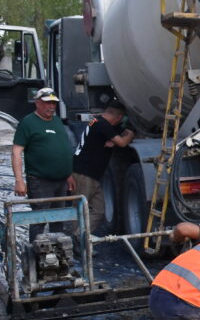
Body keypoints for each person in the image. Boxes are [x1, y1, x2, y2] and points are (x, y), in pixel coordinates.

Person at [11, 87, 74, 239]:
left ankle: (58, 253)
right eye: (47, 103)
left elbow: (64, 149)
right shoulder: (28, 123)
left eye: (53, 103)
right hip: (40, 181)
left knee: (59, 219)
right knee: (39, 219)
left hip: (61, 181)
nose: (51, 106)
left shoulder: (57, 121)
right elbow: (16, 152)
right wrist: (19, 180)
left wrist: (69, 174)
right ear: (37, 103)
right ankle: (36, 254)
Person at [72, 101, 135, 234]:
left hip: (91, 175)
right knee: (79, 210)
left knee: (99, 211)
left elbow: (116, 135)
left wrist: (112, 140)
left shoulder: (97, 121)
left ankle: (81, 238)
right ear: (118, 117)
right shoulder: (102, 125)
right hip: (85, 174)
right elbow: (123, 142)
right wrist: (131, 134)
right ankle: (77, 242)